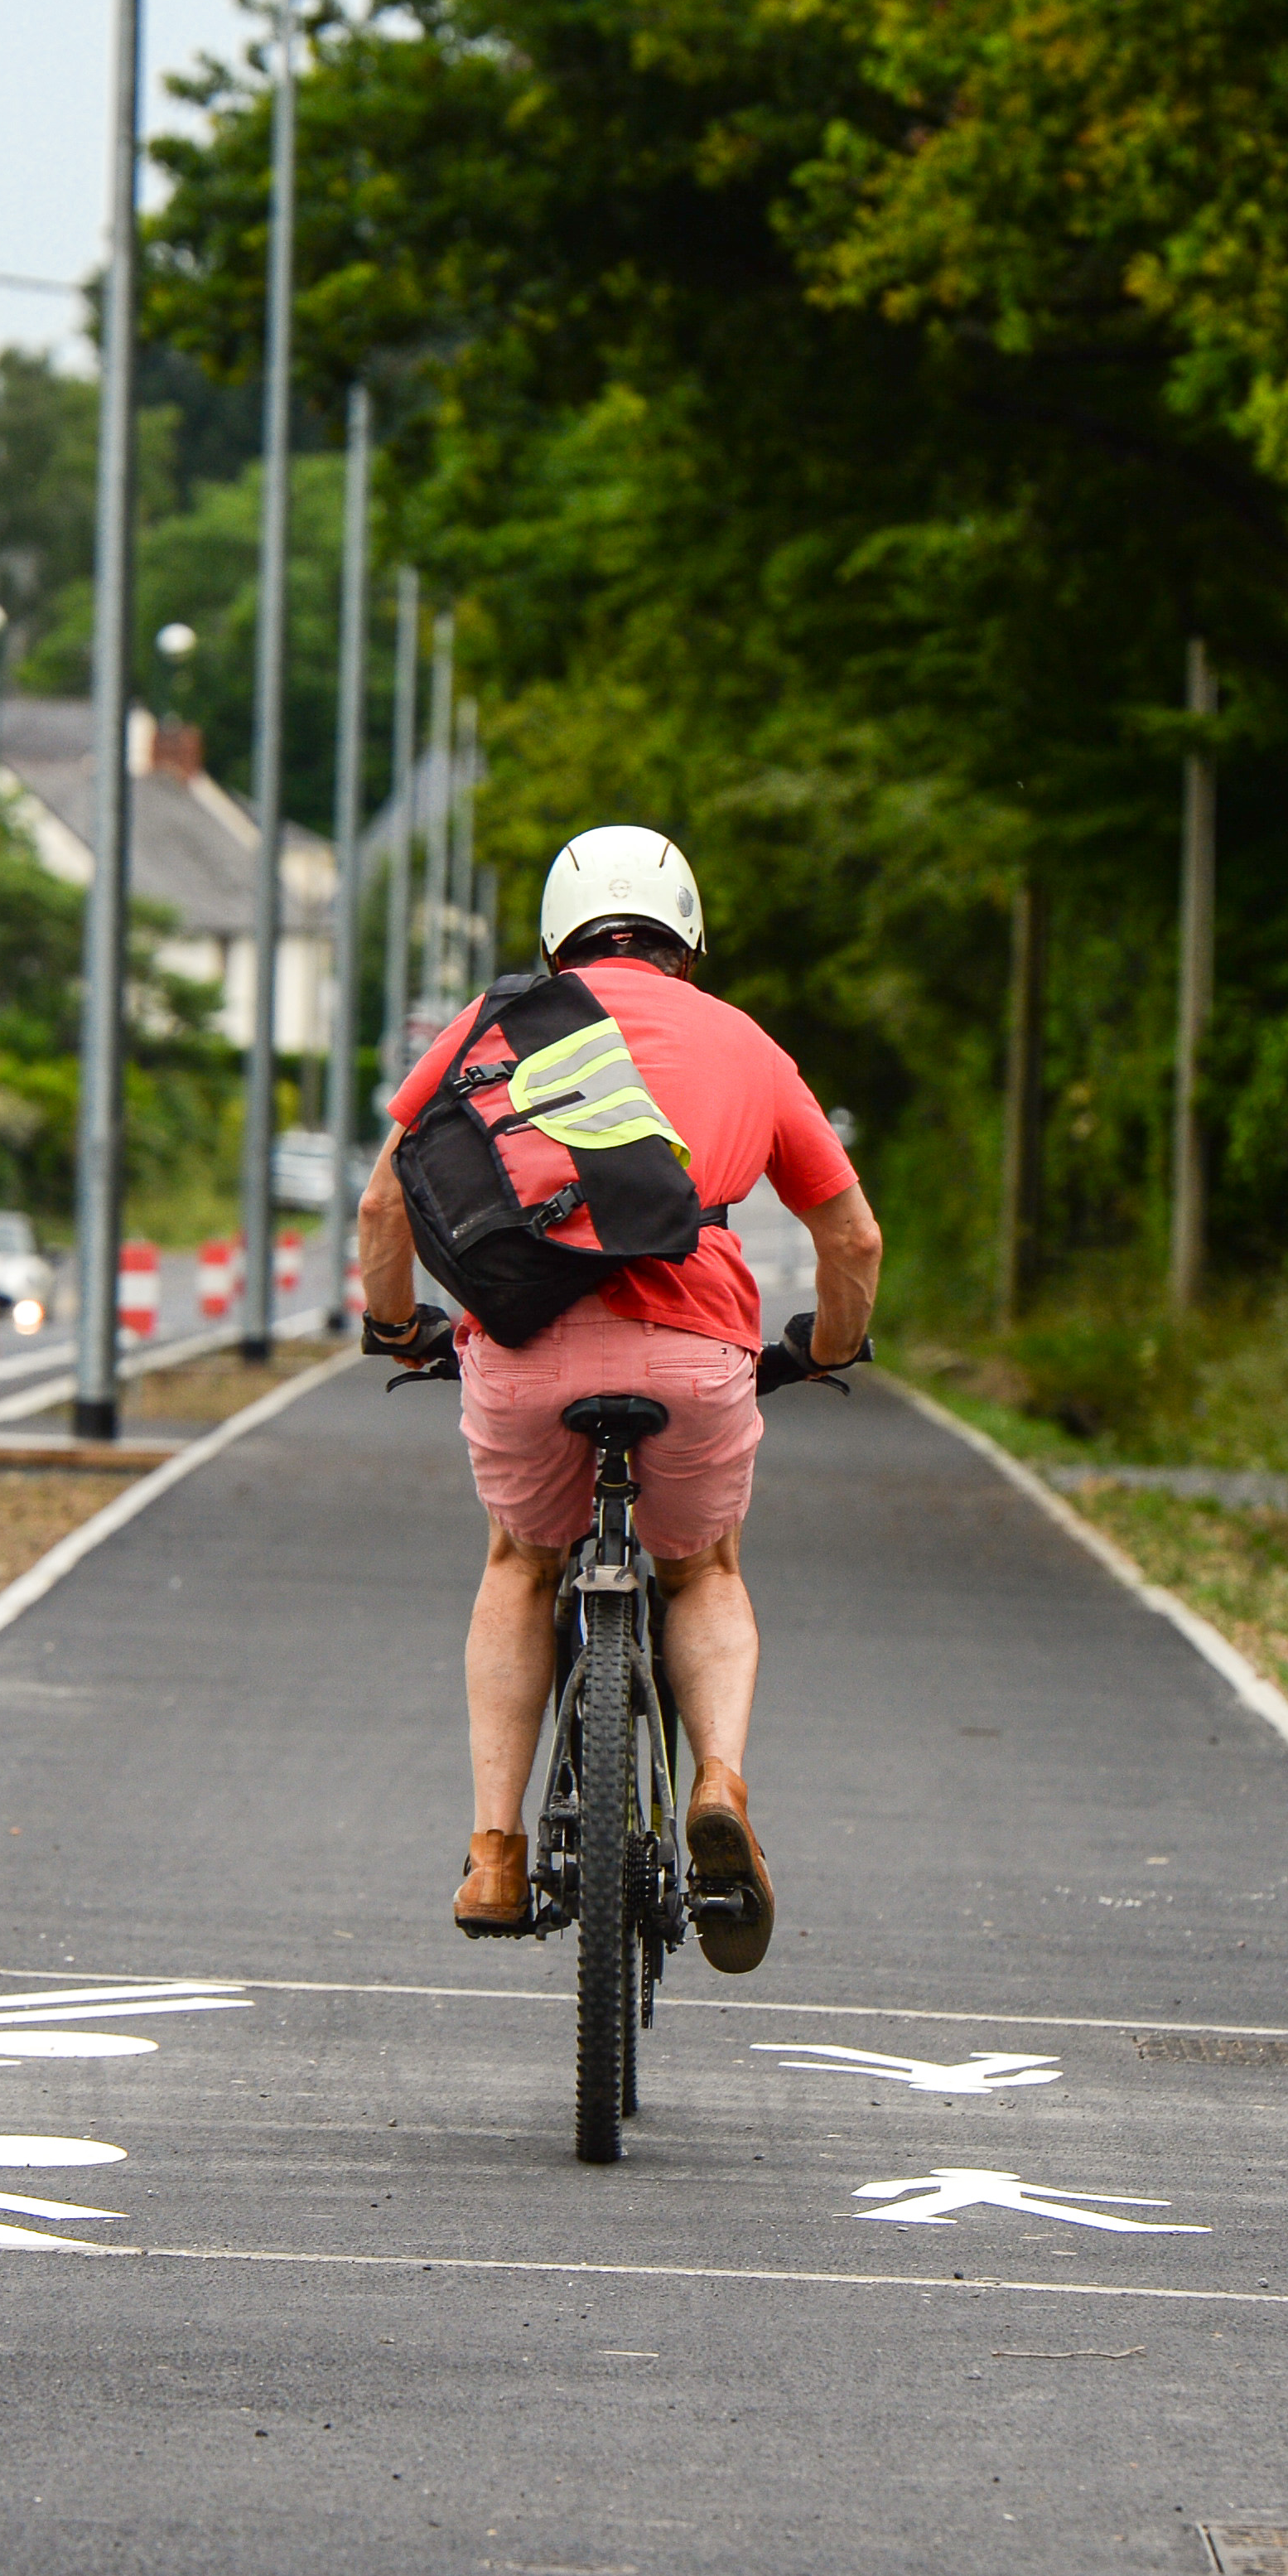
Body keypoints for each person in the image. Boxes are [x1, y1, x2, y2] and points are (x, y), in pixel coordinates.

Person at [355, 823, 882, 1973]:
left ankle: (495, 1852)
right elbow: (851, 1235)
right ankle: (721, 1787)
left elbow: (384, 1211)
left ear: (556, 938)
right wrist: (831, 1345)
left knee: (519, 1561)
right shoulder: (747, 1043)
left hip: (528, 1347)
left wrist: (398, 1326)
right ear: (688, 937)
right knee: (703, 1569)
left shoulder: (495, 1025)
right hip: (695, 1353)